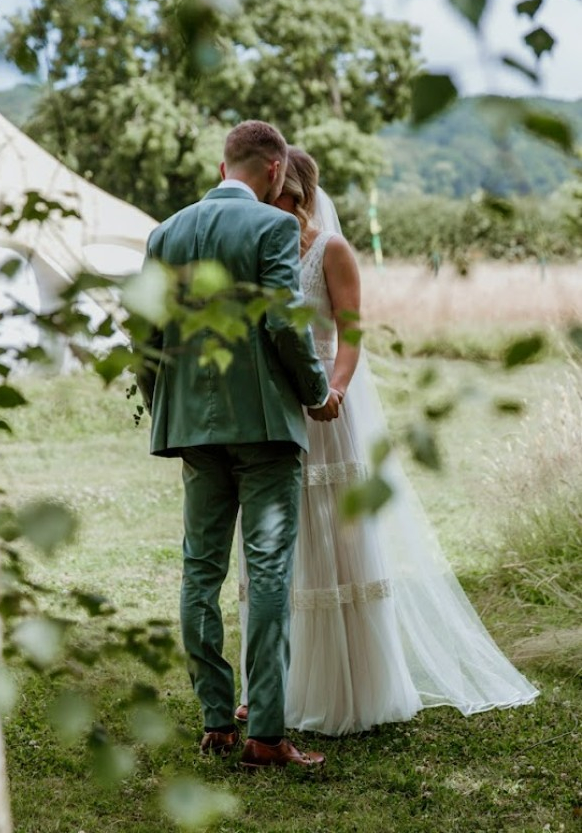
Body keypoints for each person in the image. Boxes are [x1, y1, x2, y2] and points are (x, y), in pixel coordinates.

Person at [236, 146, 539, 735]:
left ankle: (346, 690)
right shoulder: (260, 250)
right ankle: (275, 689)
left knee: (332, 537)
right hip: (274, 410)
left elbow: (351, 335)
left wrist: (335, 390)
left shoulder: (333, 249)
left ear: (292, 192)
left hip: (327, 409)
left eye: (271, 193)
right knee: (277, 544)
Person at [138, 121, 342, 769]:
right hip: (263, 426)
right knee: (271, 571)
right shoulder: (273, 228)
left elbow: (144, 336)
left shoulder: (164, 234)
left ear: (222, 165)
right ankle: (266, 735)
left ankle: (216, 719)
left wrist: (159, 405)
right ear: (276, 171)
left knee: (201, 569)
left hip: (193, 430)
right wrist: (315, 392)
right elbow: (285, 321)